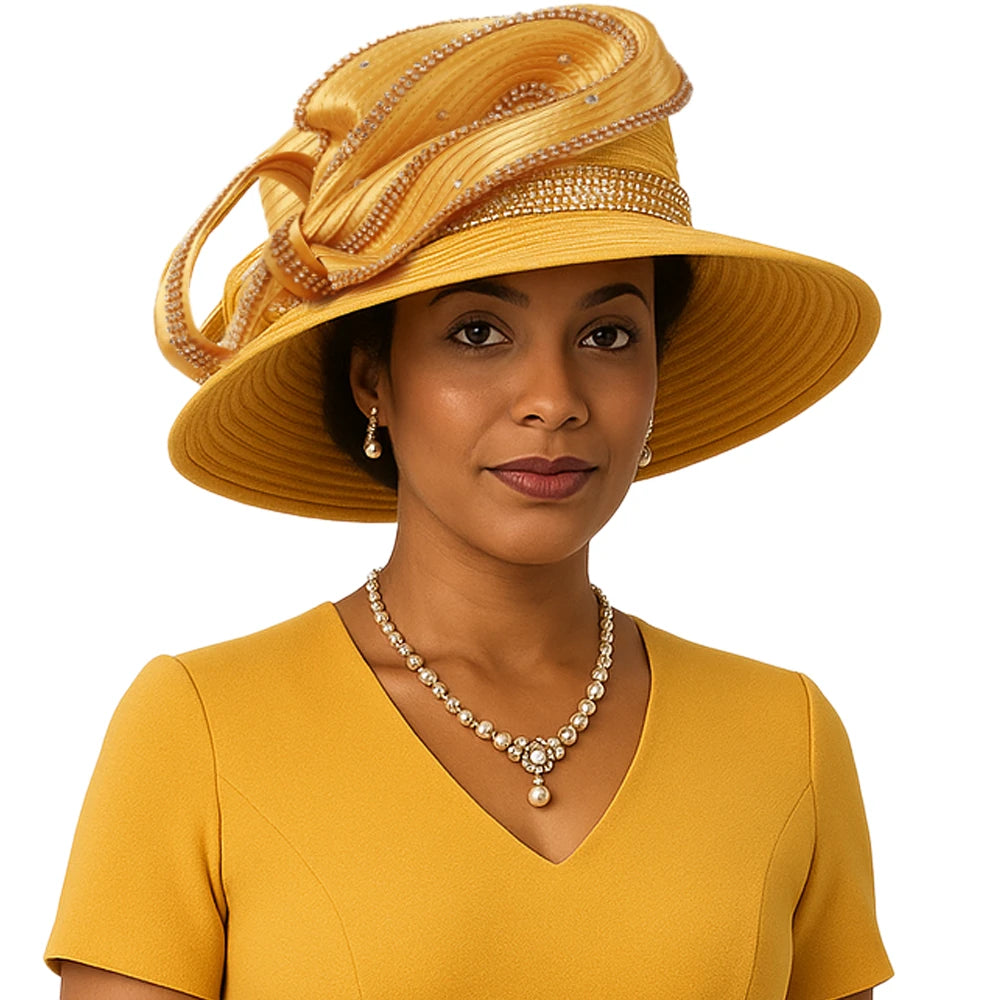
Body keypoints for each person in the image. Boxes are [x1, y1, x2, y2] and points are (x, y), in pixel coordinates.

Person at [45, 6, 893, 999]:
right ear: (373, 379)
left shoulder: (782, 734)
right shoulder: (199, 728)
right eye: (478, 332)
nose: (554, 398)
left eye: (610, 335)